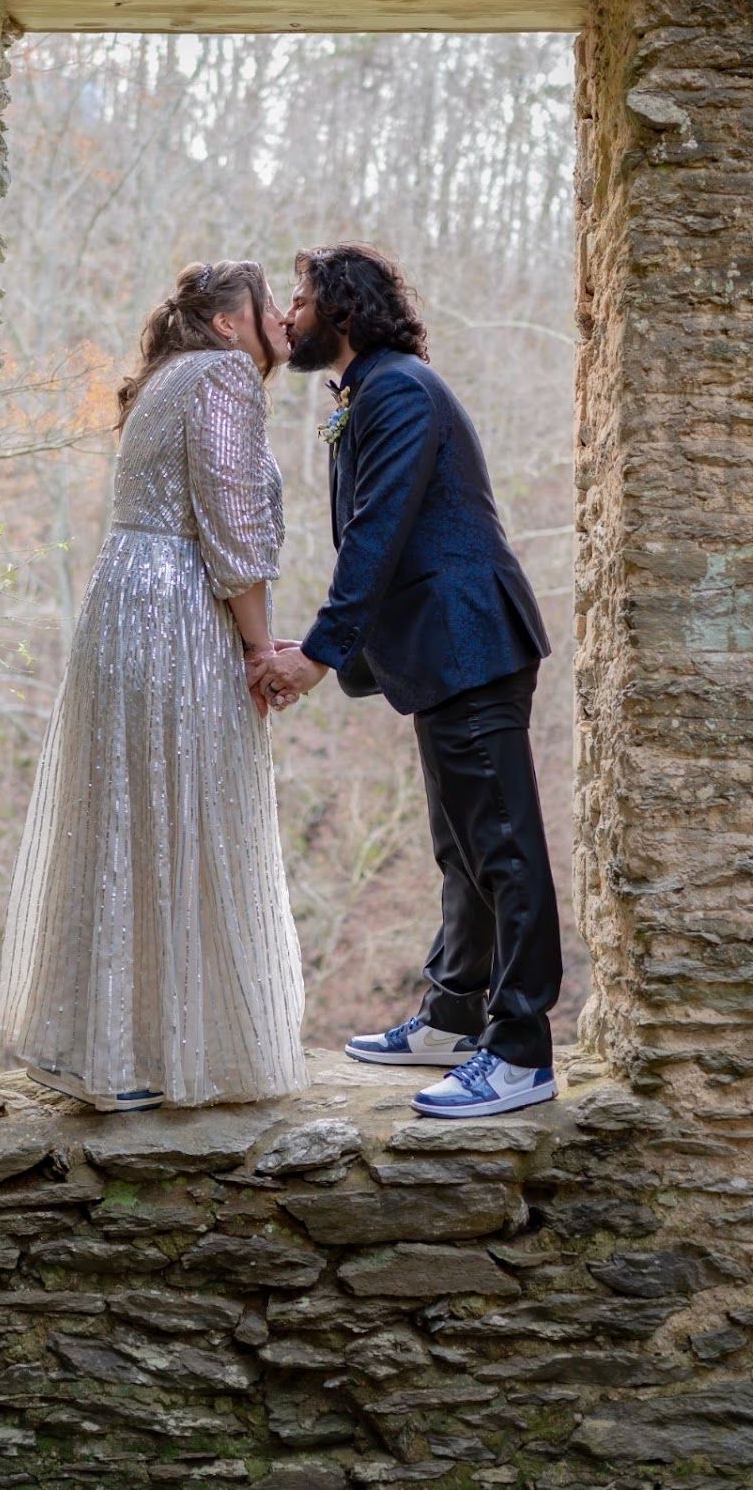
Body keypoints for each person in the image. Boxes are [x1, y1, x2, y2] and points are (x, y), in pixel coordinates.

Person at [0, 261, 308, 1113]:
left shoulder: (168, 378)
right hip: (175, 614)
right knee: (189, 809)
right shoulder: (226, 376)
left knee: (129, 815)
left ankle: (107, 1046)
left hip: (121, 600)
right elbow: (232, 524)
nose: (284, 315)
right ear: (227, 322)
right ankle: (168, 1055)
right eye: (268, 302)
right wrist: (260, 649)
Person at [255, 244, 563, 1120]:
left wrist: (314, 657)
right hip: (444, 652)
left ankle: (519, 1051)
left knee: (502, 846)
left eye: (303, 297)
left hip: (471, 640)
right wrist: (328, 650)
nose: (289, 312)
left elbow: (378, 535)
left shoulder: (395, 390)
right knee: (462, 847)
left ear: (343, 310)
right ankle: (455, 1014)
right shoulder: (372, 389)